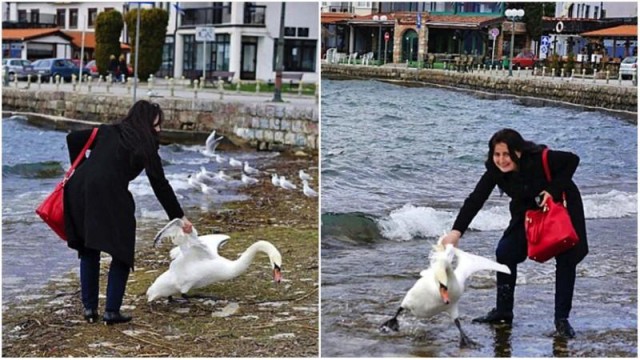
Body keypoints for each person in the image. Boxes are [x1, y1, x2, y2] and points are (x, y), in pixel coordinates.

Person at [440, 128, 588, 338]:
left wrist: (552, 191)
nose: (501, 160)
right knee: (505, 252)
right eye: (497, 154)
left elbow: (572, 160)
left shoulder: (538, 159)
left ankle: (561, 320)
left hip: (560, 209)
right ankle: (503, 311)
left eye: (506, 154)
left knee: (566, 258)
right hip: (527, 212)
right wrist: (456, 232)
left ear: (518, 152)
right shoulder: (495, 170)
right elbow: (476, 199)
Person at [64, 100, 193, 325]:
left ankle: (89, 309)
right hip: (109, 193)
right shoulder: (146, 145)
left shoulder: (108, 130)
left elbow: (72, 138)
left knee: (88, 249)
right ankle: (111, 312)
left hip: (79, 190)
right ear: (145, 124)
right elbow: (160, 185)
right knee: (122, 252)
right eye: (156, 125)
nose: (159, 130)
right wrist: (179, 217)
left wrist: (81, 168)